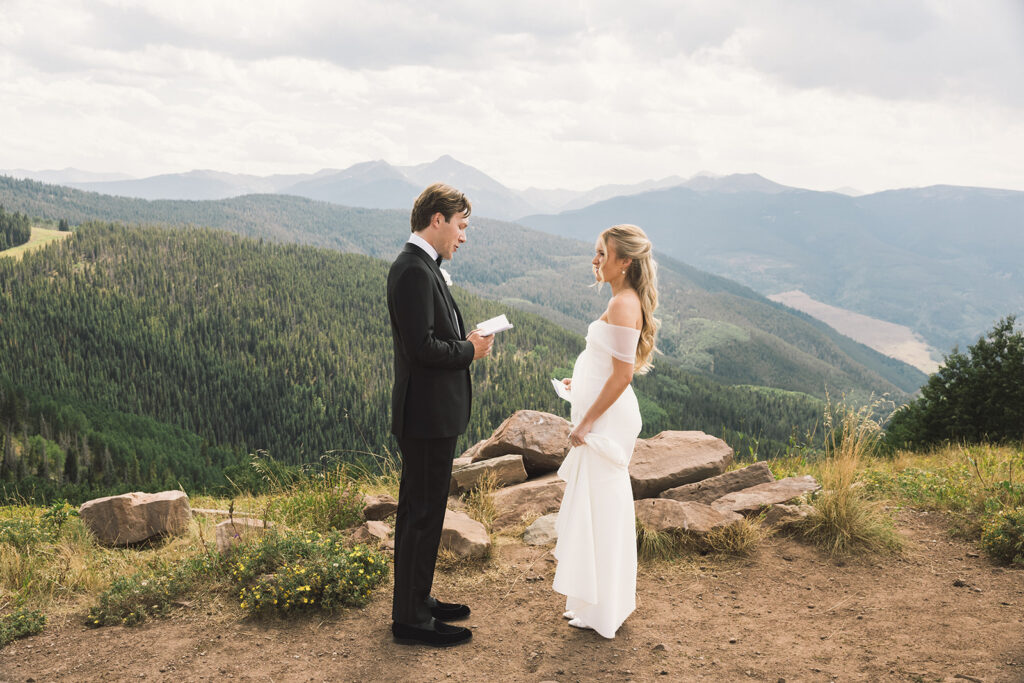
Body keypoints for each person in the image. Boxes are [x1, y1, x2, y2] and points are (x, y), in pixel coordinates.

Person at [387, 183, 494, 647]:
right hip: (426, 416)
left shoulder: (423, 267)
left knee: (422, 511)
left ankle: (417, 600)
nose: (463, 237)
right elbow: (422, 348)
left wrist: (464, 340)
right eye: (461, 225)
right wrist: (469, 350)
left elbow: (431, 336)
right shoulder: (412, 271)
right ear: (438, 219)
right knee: (422, 514)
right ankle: (410, 620)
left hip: (431, 415)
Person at [552, 224, 660, 639]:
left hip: (608, 419)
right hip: (604, 410)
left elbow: (623, 376)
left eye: (602, 253)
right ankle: (593, 601)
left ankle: (605, 606)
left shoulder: (622, 304)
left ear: (624, 262)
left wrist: (586, 421)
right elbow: (604, 364)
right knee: (596, 506)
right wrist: (578, 386)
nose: (594, 260)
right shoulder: (620, 299)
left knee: (605, 506)